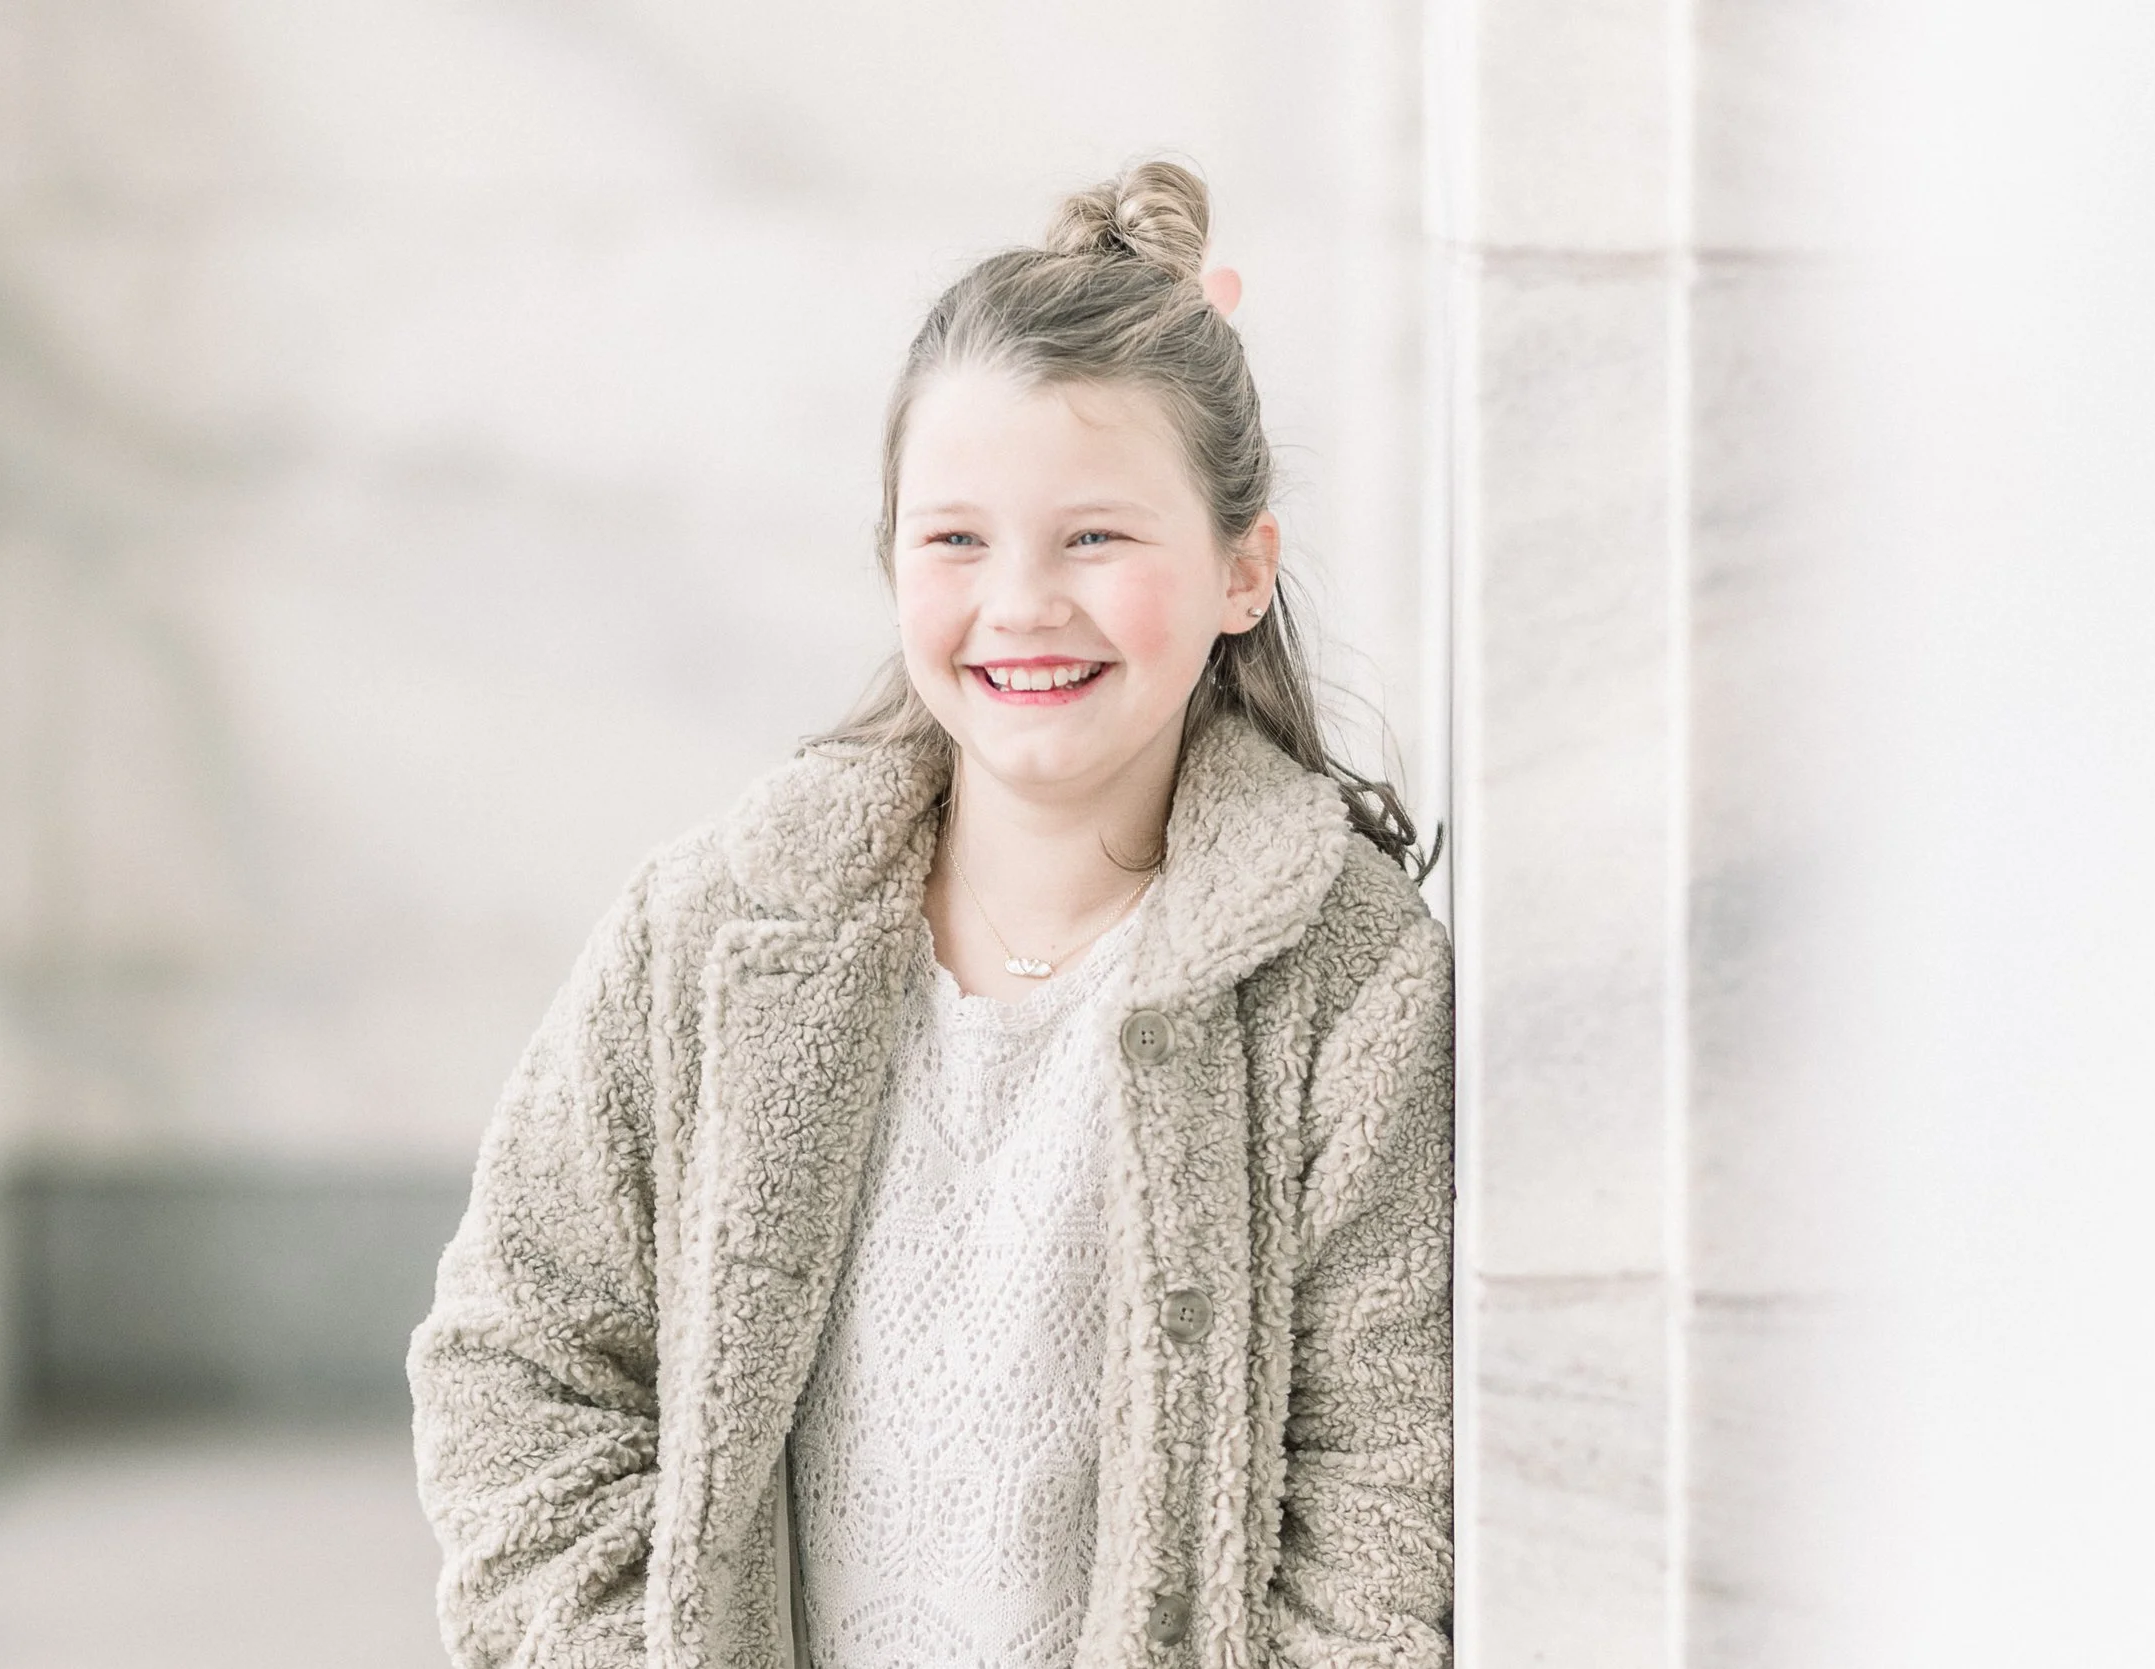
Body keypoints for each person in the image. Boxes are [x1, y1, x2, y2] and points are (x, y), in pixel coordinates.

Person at [407, 157, 1454, 1669]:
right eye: (956, 539)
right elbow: (521, 1361)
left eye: (1095, 537)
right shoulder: (712, 936)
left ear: (1242, 571)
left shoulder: (1347, 987)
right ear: (893, 560)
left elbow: (1379, 1505)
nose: (1020, 602)